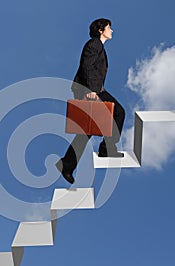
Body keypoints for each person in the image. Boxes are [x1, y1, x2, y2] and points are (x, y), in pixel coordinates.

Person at [56, 18, 125, 184]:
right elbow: (87, 66)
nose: (112, 31)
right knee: (118, 112)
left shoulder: (99, 47)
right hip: (88, 90)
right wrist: (92, 90)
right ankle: (106, 149)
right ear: (101, 30)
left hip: (95, 89)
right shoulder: (94, 44)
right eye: (109, 28)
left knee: (86, 129)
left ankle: (67, 164)